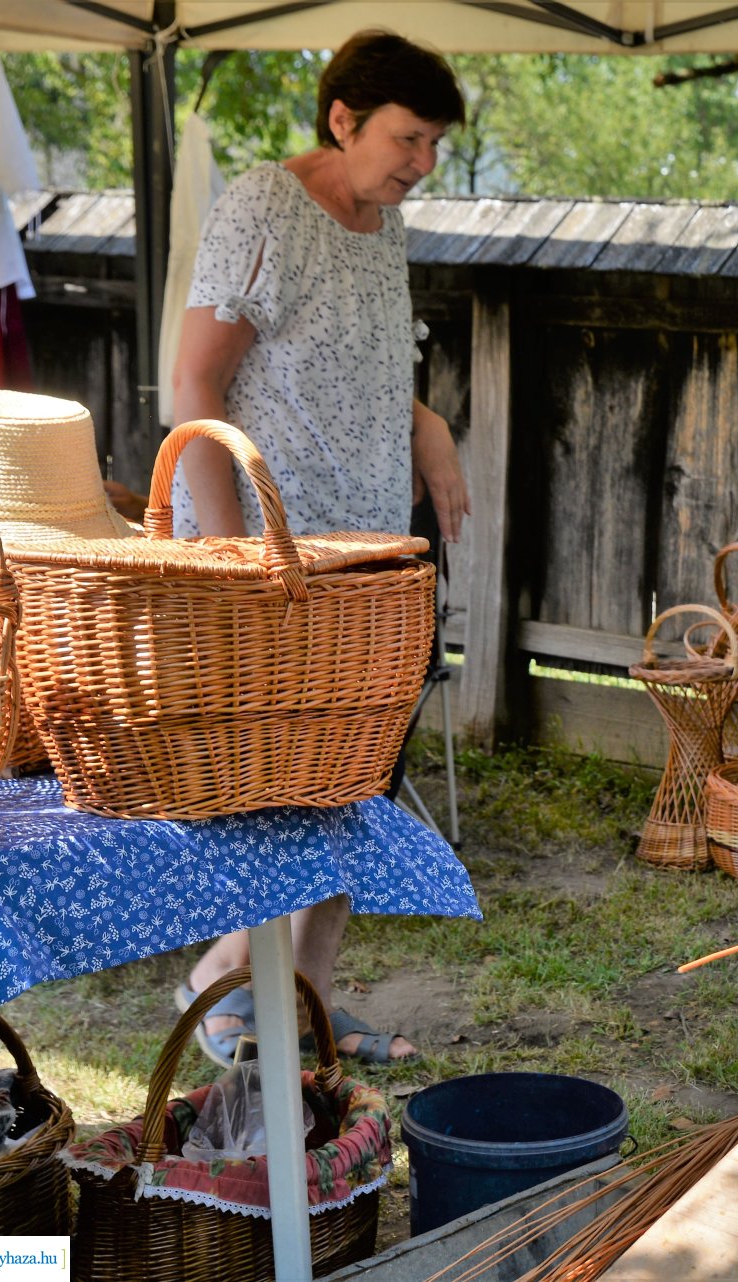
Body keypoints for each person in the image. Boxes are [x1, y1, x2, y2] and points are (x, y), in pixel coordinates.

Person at [169, 29, 469, 1067]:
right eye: (408, 137)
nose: (422, 161)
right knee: (284, 796)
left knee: (361, 786)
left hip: (371, 551)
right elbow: (193, 386)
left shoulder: (382, 224)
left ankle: (306, 999)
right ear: (342, 120)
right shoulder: (263, 208)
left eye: (434, 142)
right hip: (276, 557)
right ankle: (222, 987)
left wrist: (425, 424)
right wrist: (231, 558)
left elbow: (353, 361)